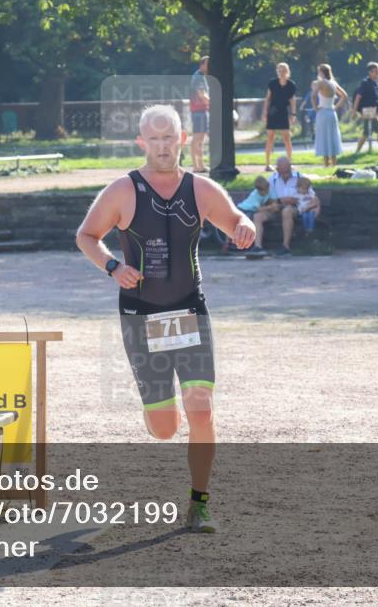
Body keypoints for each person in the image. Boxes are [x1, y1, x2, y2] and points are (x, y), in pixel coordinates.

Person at [75, 104, 255, 534]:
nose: (162, 146)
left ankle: (199, 503)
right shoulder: (123, 190)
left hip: (189, 310)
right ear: (142, 143)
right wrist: (113, 267)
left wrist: (245, 225)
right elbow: (86, 236)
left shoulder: (201, 189)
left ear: (184, 139)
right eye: (153, 140)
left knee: (202, 410)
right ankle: (159, 405)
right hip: (141, 316)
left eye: (168, 138)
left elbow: (235, 221)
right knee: (163, 427)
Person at [261, 157, 303, 254]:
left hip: (294, 208)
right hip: (275, 208)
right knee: (257, 216)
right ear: (277, 169)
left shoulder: (299, 177)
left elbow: (309, 195)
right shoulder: (272, 180)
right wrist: (280, 201)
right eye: (282, 172)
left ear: (290, 167)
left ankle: (285, 246)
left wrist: (294, 200)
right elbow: (266, 200)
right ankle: (257, 247)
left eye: (287, 171)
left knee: (287, 211)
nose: (285, 174)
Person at [263, 62, 298, 171]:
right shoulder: (272, 83)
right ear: (277, 72)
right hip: (273, 112)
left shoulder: (291, 85)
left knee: (287, 138)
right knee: (270, 138)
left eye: (283, 71)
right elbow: (268, 98)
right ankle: (267, 164)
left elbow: (292, 100)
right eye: (279, 71)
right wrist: (265, 112)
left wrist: (293, 114)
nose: (281, 73)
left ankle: (289, 162)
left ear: (287, 72)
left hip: (283, 112)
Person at [312, 64, 347, 167]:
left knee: (324, 137)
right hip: (331, 112)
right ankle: (334, 163)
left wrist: (315, 108)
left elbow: (313, 95)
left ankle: (326, 163)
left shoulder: (321, 83)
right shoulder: (333, 83)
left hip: (322, 112)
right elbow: (344, 96)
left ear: (322, 72)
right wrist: (336, 107)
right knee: (332, 137)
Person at [235, 175, 277, 255]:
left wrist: (274, 205)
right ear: (258, 190)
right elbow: (259, 209)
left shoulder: (270, 191)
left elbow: (274, 202)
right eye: (263, 191)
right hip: (244, 209)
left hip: (252, 211)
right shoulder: (255, 195)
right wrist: (270, 207)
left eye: (266, 190)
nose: (265, 193)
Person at [353, 62, 378, 152]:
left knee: (367, 132)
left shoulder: (375, 84)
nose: (377, 73)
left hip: (373, 111)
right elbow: (358, 97)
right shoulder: (365, 83)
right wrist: (354, 111)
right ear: (370, 72)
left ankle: (357, 151)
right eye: (375, 71)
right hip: (368, 111)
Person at [189, 57, 210, 173]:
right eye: (209, 64)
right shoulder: (198, 77)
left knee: (200, 139)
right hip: (198, 111)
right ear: (202, 64)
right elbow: (202, 95)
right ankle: (196, 166)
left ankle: (200, 165)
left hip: (200, 111)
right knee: (197, 138)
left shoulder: (201, 77)